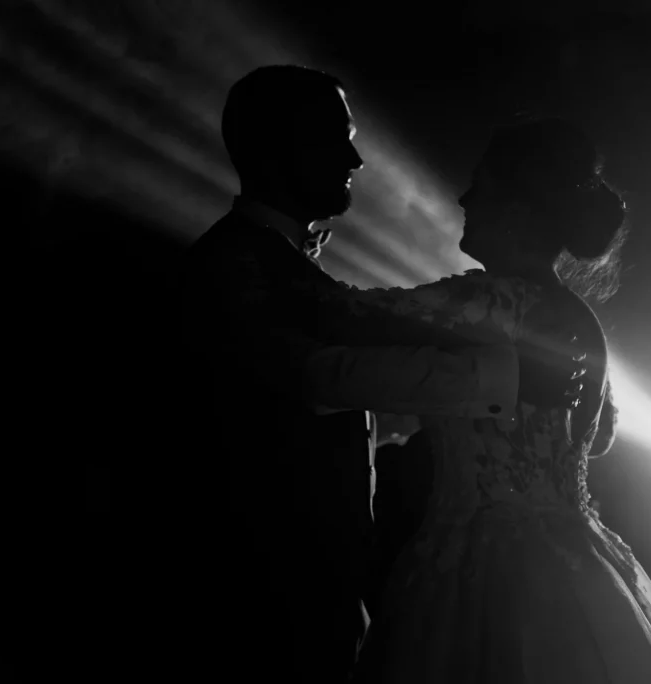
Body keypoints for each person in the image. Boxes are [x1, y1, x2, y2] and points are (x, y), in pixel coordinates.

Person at [178, 66, 582, 683]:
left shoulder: (282, 268)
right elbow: (314, 377)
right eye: (336, 137)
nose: (356, 159)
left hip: (317, 591)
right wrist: (502, 381)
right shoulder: (231, 265)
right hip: (255, 594)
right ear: (281, 144)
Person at [321, 118, 651, 683]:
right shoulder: (579, 317)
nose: (463, 198)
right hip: (575, 557)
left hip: (480, 561)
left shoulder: (490, 300)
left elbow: (347, 314)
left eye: (479, 185)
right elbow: (598, 438)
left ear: (516, 208)